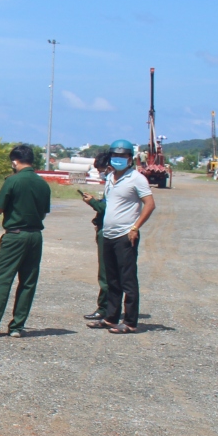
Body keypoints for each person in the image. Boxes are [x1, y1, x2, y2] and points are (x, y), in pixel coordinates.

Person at [0, 144, 52, 338]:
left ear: (15, 161)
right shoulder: (43, 184)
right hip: (35, 236)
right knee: (28, 281)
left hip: (14, 235)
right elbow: (44, 212)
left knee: (2, 278)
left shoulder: (13, 181)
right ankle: (17, 327)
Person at [91, 138, 156, 334]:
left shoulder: (136, 179)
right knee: (112, 280)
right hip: (108, 234)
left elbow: (150, 204)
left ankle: (130, 322)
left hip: (125, 235)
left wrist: (135, 227)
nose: (118, 158)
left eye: (123, 156)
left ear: (130, 159)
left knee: (127, 280)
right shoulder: (110, 178)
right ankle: (111, 317)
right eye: (115, 155)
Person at [80, 151, 113, 322]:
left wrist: (92, 202)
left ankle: (104, 308)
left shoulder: (113, 184)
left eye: (101, 171)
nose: (101, 174)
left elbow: (106, 209)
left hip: (107, 230)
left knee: (106, 273)